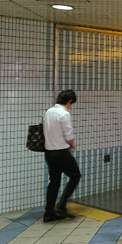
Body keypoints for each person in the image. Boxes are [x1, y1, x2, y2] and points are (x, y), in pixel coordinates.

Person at [43, 89, 81, 223]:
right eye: (72, 104)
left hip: (49, 153)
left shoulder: (49, 111)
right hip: (61, 153)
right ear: (70, 101)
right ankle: (61, 206)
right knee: (76, 176)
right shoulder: (64, 113)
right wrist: (73, 143)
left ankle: (48, 213)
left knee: (54, 182)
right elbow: (68, 135)